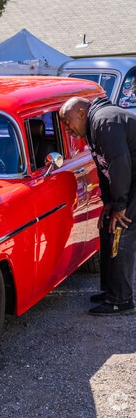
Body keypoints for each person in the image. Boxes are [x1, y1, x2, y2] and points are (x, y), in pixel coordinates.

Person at [60, 96, 136, 315]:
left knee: (121, 229)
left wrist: (120, 205)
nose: (67, 129)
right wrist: (109, 203)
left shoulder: (105, 121)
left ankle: (121, 300)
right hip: (129, 177)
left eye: (67, 122)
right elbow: (104, 169)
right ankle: (110, 291)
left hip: (131, 177)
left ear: (82, 113)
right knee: (107, 224)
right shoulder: (93, 128)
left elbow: (119, 162)